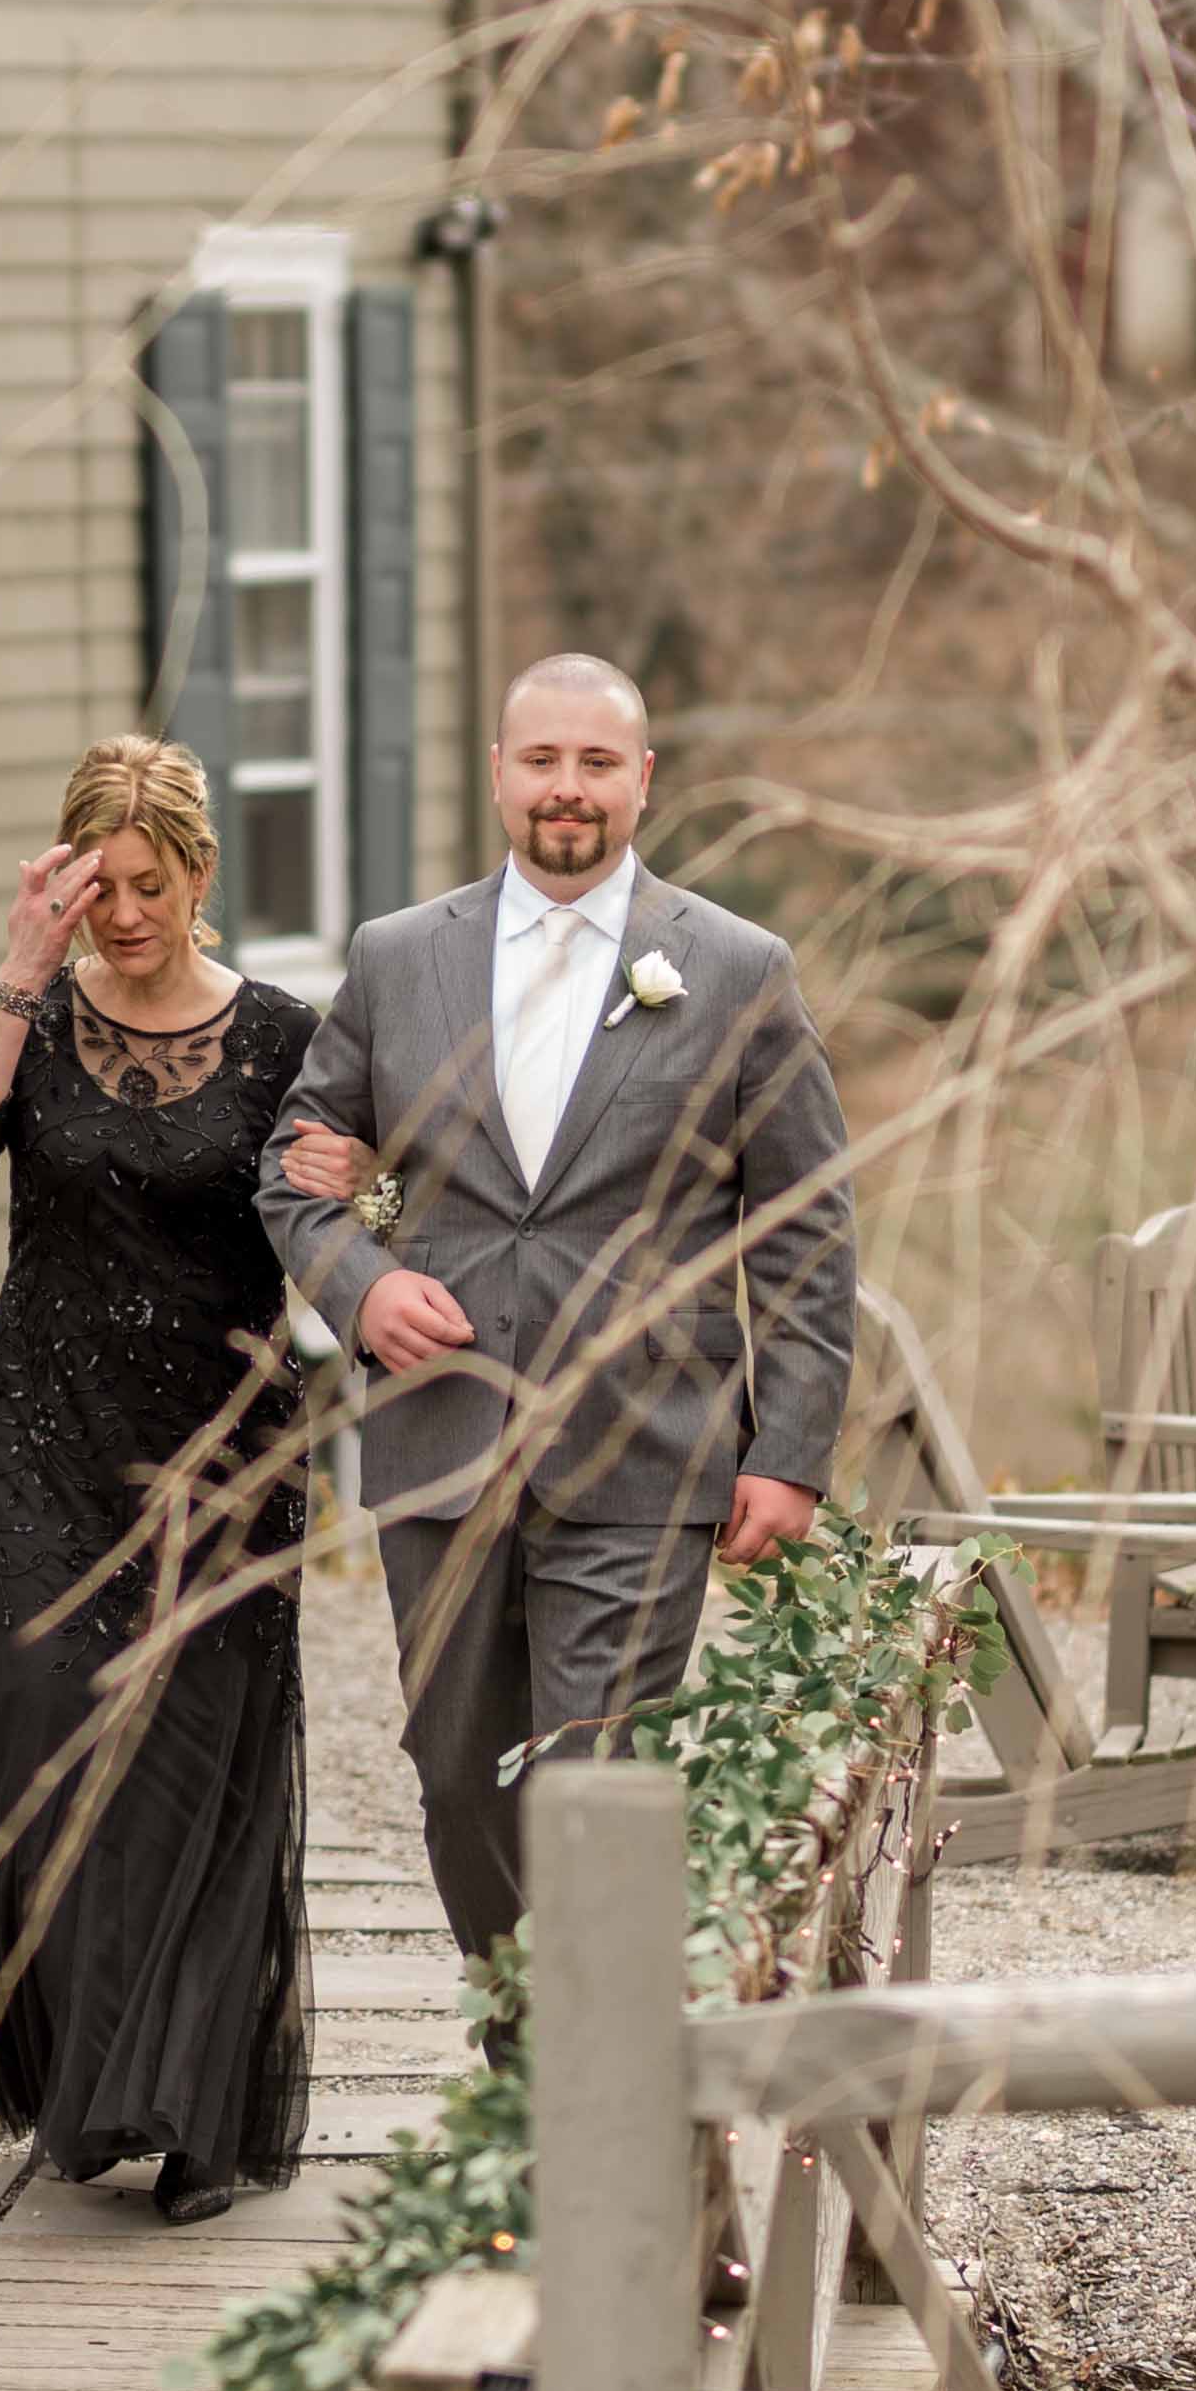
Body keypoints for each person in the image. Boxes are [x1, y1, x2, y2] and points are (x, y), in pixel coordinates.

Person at [256, 650, 858, 1965]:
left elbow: (804, 1228)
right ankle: (522, 2043)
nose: (567, 789)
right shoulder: (398, 959)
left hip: (647, 1450)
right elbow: (300, 1166)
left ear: (640, 780)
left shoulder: (737, 970)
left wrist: (789, 1451)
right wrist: (360, 1286)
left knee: (598, 1781)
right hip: (440, 1442)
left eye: (596, 763)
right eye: (542, 760)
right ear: (498, 775)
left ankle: (593, 2110)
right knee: (460, 1773)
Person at [0, 734, 317, 2228]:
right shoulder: (37, 1014)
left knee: (197, 1757)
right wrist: (20, 963)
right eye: (98, 887)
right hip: (41, 1436)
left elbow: (345, 1208)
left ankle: (195, 2102)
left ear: (200, 876)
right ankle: (93, 2072)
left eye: (148, 885)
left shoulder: (282, 1037)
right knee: (51, 1731)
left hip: (224, 1449)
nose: (124, 914)